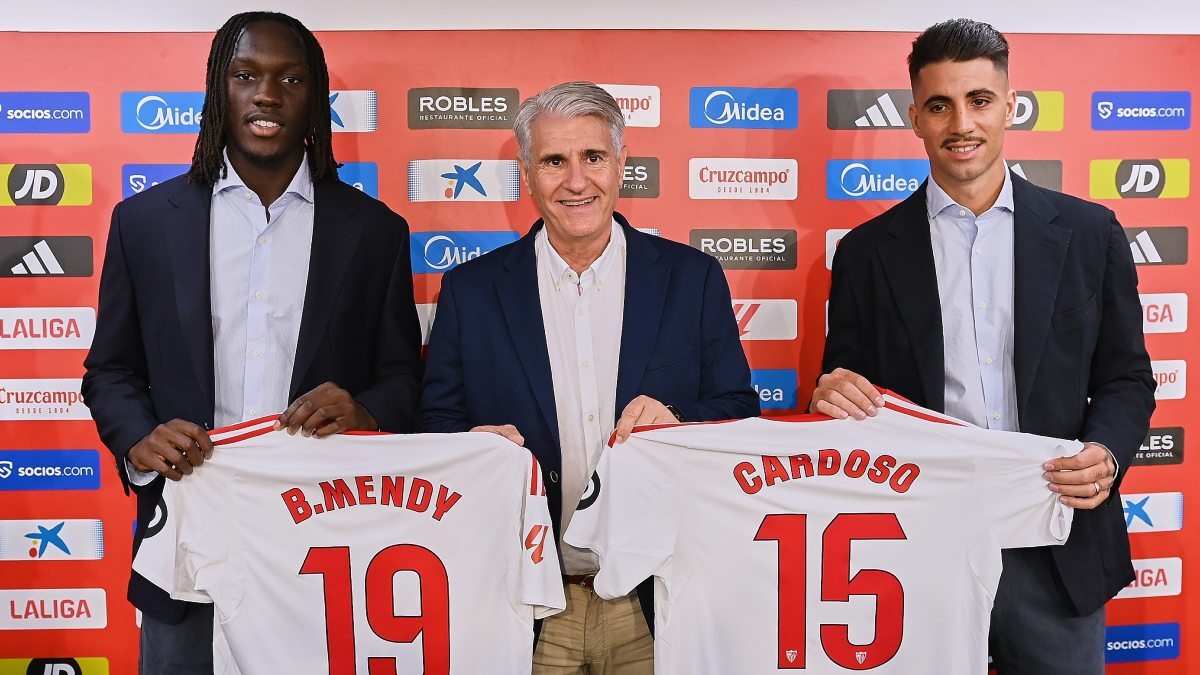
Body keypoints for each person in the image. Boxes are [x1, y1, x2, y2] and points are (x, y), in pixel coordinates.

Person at [82, 11, 422, 674]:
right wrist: (139, 437)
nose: (267, 94)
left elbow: (404, 378)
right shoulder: (146, 223)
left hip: (325, 553)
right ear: (220, 91)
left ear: (315, 100)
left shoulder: (375, 231)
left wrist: (364, 411)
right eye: (246, 75)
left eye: (290, 78)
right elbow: (110, 371)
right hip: (185, 545)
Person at [811, 18, 1155, 674]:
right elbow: (842, 385)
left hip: (1055, 545)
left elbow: (1128, 377)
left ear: (1010, 106)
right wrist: (832, 394)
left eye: (979, 100)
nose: (960, 123)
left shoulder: (1090, 233)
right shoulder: (864, 255)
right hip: (915, 549)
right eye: (939, 105)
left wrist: (1106, 452)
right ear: (914, 116)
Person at [418, 81, 760, 674]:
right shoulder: (470, 293)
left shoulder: (692, 278)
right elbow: (435, 428)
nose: (576, 182)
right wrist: (474, 449)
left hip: (657, 603)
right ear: (527, 173)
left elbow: (740, 414)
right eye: (554, 161)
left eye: (593, 158)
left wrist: (678, 422)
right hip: (524, 605)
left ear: (621, 164)